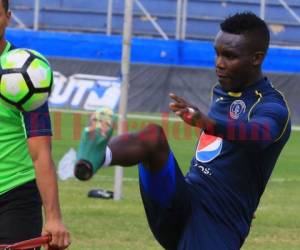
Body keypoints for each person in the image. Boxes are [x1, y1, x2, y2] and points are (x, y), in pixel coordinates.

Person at [74, 12, 291, 249]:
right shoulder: (221, 92)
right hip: (182, 201)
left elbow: (259, 135)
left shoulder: (272, 106)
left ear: (256, 58)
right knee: (153, 137)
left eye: (229, 56)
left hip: (217, 223)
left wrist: (209, 125)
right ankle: (93, 159)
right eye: (217, 53)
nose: (219, 63)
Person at [0, 1, 70, 249]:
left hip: (14, 193)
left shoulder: (26, 74)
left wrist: (53, 218)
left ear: (7, 17)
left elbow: (41, 153)